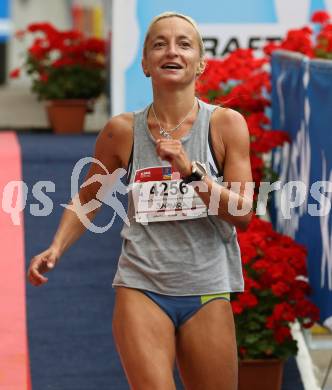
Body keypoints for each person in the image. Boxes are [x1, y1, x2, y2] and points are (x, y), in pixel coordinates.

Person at [28, 11, 253, 390]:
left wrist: (192, 172)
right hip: (141, 286)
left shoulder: (226, 125)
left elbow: (243, 213)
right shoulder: (121, 132)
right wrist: (56, 247)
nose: (172, 51)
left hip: (207, 287)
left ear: (200, 64)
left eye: (184, 44)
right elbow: (90, 198)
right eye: (159, 44)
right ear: (146, 64)